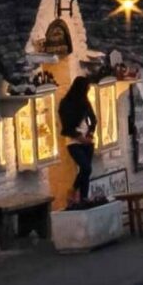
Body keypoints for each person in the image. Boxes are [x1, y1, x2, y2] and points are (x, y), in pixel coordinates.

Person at [56, 77, 99, 208]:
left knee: (85, 173)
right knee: (86, 167)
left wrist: (90, 133)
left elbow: (93, 119)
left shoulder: (85, 102)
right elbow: (67, 126)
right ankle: (73, 189)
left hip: (87, 141)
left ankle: (84, 198)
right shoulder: (66, 104)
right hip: (74, 142)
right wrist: (79, 137)